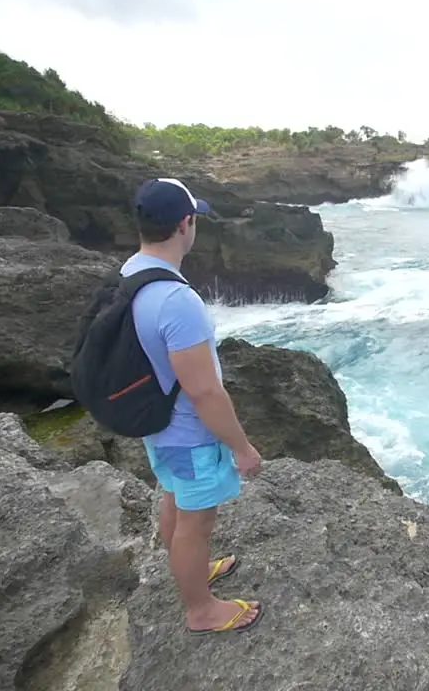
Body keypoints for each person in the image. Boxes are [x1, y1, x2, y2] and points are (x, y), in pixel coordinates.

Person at [121, 177, 265, 634]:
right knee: (195, 524)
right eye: (194, 217)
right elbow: (204, 391)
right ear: (186, 224)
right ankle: (201, 610)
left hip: (158, 425)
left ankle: (192, 572)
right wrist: (242, 448)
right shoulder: (177, 300)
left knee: (175, 500)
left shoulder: (132, 272)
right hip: (188, 433)